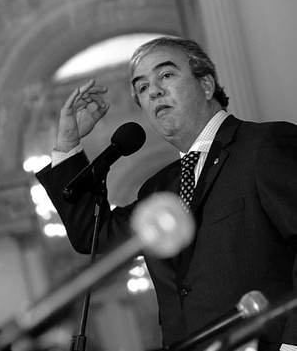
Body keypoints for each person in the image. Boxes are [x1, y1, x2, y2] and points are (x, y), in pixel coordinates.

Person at [35, 37, 297, 351]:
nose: (154, 91)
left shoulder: (263, 146)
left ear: (206, 85)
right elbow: (92, 234)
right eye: (142, 88)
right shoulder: (157, 191)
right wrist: (67, 143)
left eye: (166, 75)